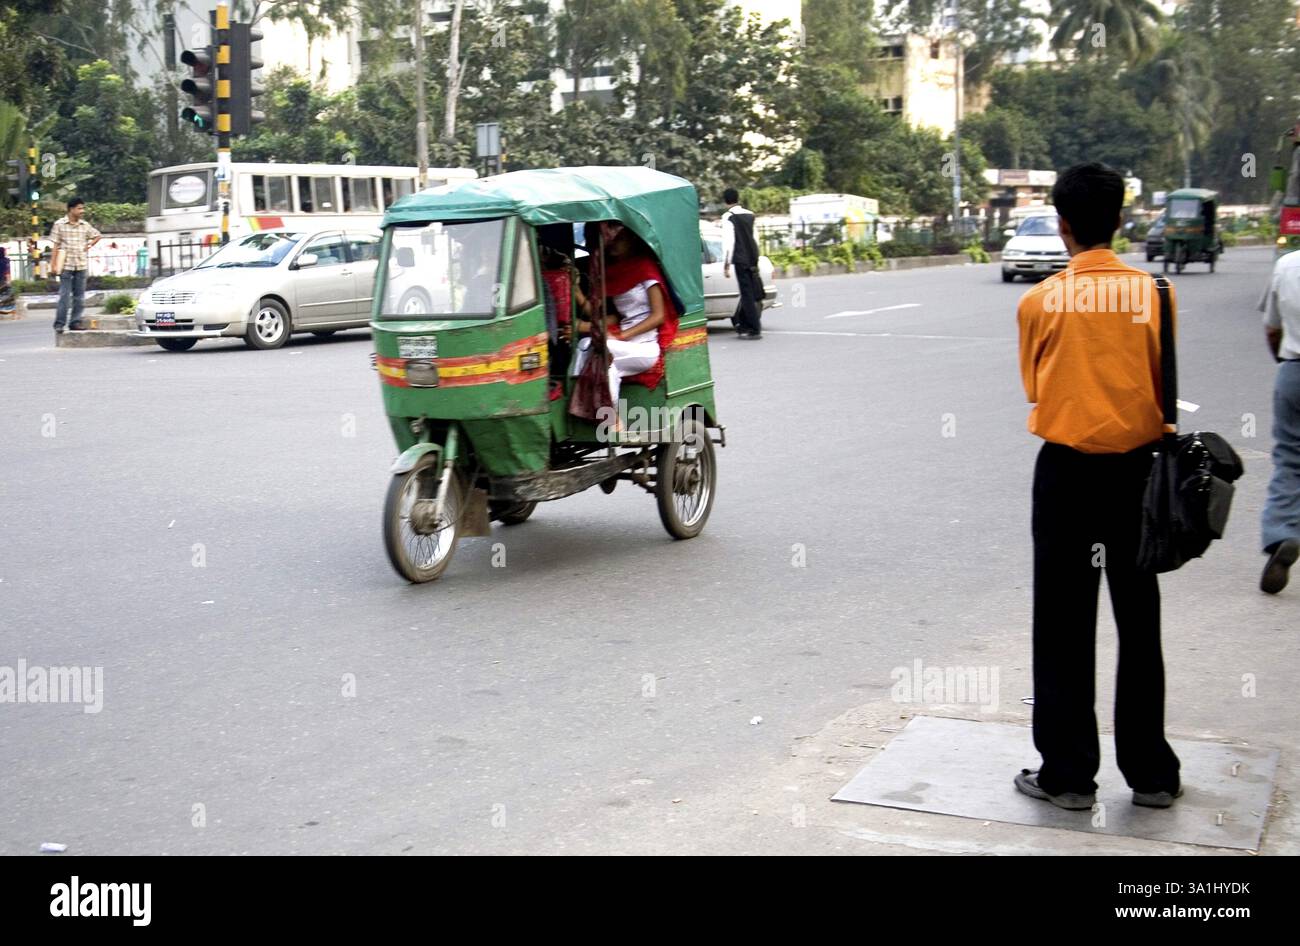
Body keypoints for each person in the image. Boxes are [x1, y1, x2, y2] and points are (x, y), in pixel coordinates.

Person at [1015, 162, 1182, 812]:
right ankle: (1152, 774)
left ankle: (1069, 776)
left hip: (1066, 475)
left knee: (1062, 624)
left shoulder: (1039, 301)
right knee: (1139, 621)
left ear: (1063, 226)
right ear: (1119, 219)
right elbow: (1161, 382)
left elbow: (1035, 387)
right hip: (1139, 477)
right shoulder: (1155, 296)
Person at [568, 223, 675, 411]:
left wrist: (623, 335)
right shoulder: (612, 272)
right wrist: (575, 290)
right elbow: (598, 313)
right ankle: (596, 410)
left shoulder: (645, 267)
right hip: (622, 345)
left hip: (645, 347)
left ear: (632, 241)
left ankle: (605, 414)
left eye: (620, 239)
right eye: (612, 239)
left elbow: (659, 316)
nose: (614, 244)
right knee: (586, 347)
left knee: (603, 347)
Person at [1258, 250, 1300, 593]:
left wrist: (1283, 366)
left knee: (1289, 458)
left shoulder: (1287, 265)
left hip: (1294, 371)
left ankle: (1283, 533)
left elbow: (1272, 328)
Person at [50, 197, 101, 333]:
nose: (82, 211)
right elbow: (55, 246)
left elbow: (97, 235)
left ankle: (75, 322)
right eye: (79, 208)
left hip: (81, 264)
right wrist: (53, 265)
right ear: (71, 209)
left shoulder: (84, 225)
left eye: (82, 208)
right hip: (66, 265)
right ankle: (59, 324)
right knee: (64, 296)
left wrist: (89, 245)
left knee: (79, 297)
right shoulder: (59, 224)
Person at [720, 187, 764, 339]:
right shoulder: (750, 215)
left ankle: (754, 328)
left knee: (746, 295)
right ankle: (743, 324)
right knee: (750, 292)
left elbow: (728, 243)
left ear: (725, 201)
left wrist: (726, 265)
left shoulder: (728, 217)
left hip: (740, 260)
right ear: (738, 198)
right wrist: (756, 258)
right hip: (752, 259)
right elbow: (756, 239)